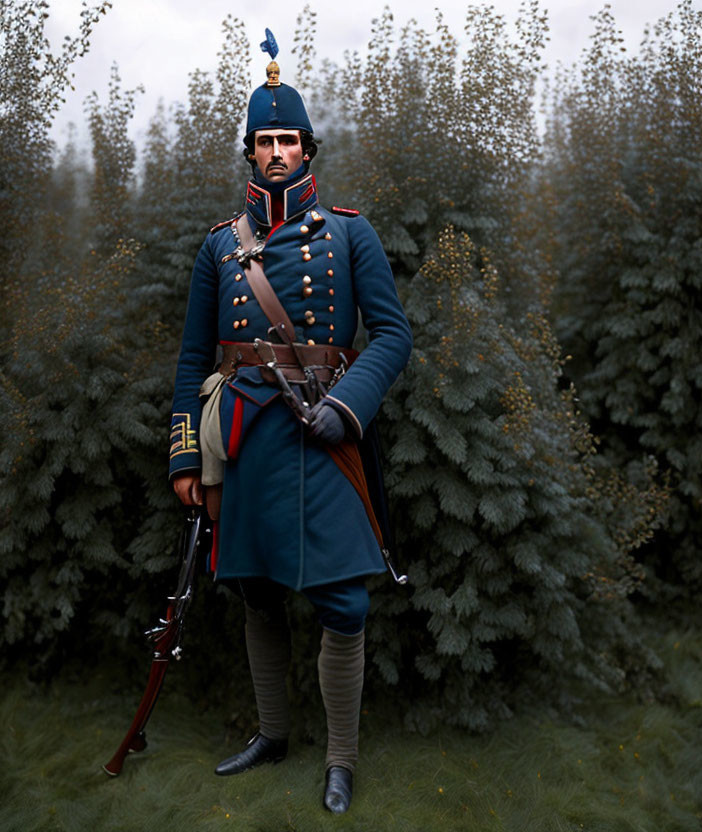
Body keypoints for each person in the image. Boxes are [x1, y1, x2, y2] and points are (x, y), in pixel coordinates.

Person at [168, 36, 412, 815]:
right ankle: (273, 734)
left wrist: (347, 407)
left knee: (347, 605)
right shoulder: (218, 247)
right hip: (245, 440)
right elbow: (189, 360)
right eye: (266, 141)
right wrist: (184, 456)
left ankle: (341, 759)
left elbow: (394, 335)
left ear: (308, 147)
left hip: (326, 434)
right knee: (255, 595)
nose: (278, 153)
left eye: (290, 140)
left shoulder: (350, 234)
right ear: (251, 151)